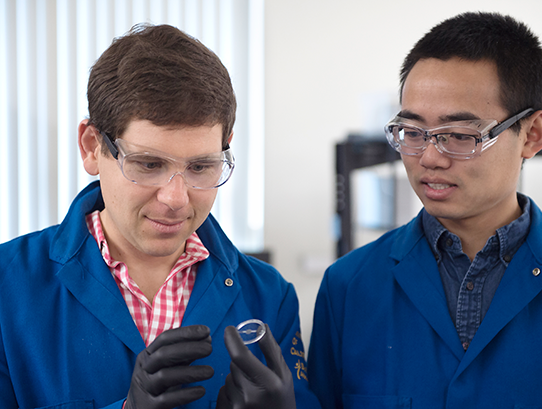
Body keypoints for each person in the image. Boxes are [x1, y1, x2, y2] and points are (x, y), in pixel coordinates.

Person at [0, 23, 319, 409]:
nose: (175, 198)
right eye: (149, 164)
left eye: (201, 167)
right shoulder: (8, 288)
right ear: (91, 148)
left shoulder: (270, 298)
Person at [308, 11, 542, 408]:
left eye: (461, 136)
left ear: (531, 135)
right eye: (412, 132)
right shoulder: (348, 287)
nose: (429, 157)